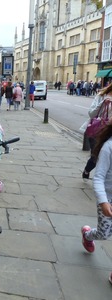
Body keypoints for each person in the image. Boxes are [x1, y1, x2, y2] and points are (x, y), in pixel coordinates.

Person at [81, 119, 112, 285]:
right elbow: (99, 177)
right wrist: (103, 201)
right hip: (107, 199)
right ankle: (87, 234)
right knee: (104, 234)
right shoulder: (109, 147)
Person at [81, 83, 112, 180]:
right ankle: (87, 170)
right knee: (96, 156)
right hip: (97, 130)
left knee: (107, 156)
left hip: (110, 131)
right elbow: (91, 114)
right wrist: (102, 103)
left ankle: (103, 179)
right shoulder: (101, 96)